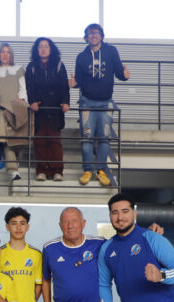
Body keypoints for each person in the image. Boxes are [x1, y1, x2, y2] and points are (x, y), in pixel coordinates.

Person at [70, 23, 129, 187]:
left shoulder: (111, 51)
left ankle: (101, 170)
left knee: (104, 138)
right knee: (87, 138)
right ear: (86, 37)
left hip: (105, 103)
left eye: (96, 33)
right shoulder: (81, 57)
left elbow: (119, 72)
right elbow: (79, 81)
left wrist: (125, 76)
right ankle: (88, 170)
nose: (93, 35)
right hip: (87, 103)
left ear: (101, 35)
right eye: (89, 33)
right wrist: (73, 84)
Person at [25, 37, 70, 181]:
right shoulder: (31, 67)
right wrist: (32, 102)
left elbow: (64, 86)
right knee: (39, 142)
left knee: (55, 141)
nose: (43, 49)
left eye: (46, 46)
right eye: (40, 47)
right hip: (38, 110)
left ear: (51, 49)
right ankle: (42, 171)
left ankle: (57, 171)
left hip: (55, 109)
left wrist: (65, 102)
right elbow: (29, 87)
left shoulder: (59, 65)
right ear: (36, 50)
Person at [0, 43, 30, 169]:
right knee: (7, 140)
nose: (5, 54)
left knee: (20, 139)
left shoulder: (19, 70)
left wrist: (22, 101)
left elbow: (23, 87)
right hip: (2, 108)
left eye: (8, 52)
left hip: (17, 108)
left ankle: (15, 163)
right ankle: (13, 169)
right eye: (2, 52)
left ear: (11, 55)